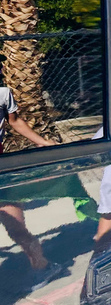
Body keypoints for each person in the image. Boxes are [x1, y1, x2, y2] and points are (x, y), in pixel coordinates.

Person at [0, 66, 61, 289]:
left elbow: (15, 122)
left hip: (2, 174)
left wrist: (42, 142)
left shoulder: (3, 94)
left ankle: (43, 267)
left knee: (16, 227)